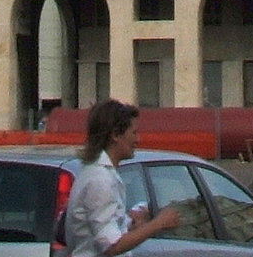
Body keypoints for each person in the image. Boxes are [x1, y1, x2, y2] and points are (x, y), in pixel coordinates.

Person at [65, 102, 183, 257]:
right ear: (115, 135)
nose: (138, 140)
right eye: (133, 133)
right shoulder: (100, 179)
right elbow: (110, 246)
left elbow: (102, 230)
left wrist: (131, 224)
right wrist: (159, 223)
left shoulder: (98, 173)